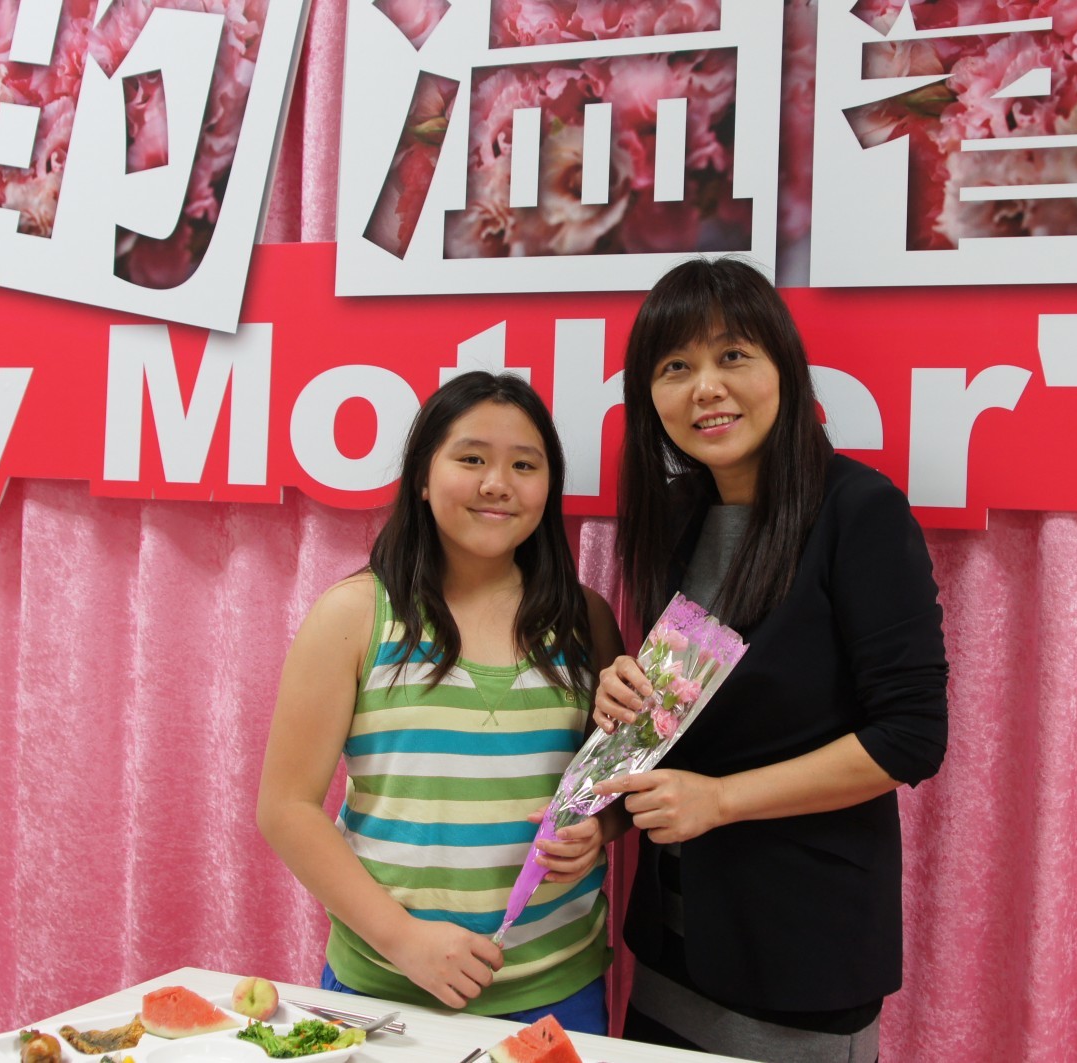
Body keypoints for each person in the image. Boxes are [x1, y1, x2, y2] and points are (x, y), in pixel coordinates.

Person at [591, 257, 949, 1061]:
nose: (705, 387)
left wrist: (721, 800)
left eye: (732, 355)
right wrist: (625, 692)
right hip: (670, 943)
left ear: (783, 367)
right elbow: (694, 701)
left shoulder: (859, 509)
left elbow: (910, 737)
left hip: (800, 953)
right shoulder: (677, 518)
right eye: (675, 367)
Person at [257, 371, 626, 1033]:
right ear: (423, 478)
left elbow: (619, 785)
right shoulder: (355, 614)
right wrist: (403, 939)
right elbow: (286, 808)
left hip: (557, 988)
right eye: (472, 459)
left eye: (525, 465)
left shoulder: (585, 620)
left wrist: (601, 829)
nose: (497, 483)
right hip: (383, 987)